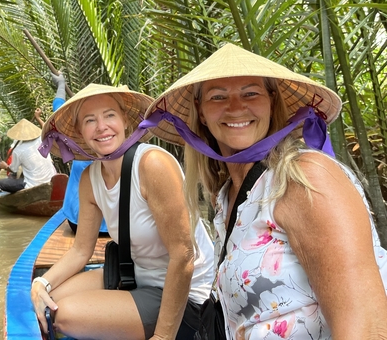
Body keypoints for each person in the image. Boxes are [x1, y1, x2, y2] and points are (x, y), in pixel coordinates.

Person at [144, 43, 387, 339]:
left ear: (271, 102)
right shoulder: (227, 195)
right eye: (218, 97)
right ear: (202, 112)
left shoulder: (305, 178)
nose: (235, 107)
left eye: (251, 93)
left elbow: (368, 328)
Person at [34, 84, 214, 340]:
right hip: (134, 274)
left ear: (126, 122)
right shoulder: (90, 178)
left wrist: (163, 337)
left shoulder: (152, 164)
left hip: (183, 292)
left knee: (63, 314)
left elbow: (183, 256)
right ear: (80, 133)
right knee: (47, 300)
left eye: (109, 115)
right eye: (90, 120)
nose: (101, 126)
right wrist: (41, 283)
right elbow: (81, 250)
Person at [34, 72, 108, 235]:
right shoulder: (123, 145)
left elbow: (58, 106)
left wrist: (61, 84)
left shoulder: (79, 145)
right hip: (112, 227)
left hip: (78, 223)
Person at [0, 118, 57, 193]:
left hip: (32, 185)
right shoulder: (41, 139)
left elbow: (13, 170)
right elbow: (46, 127)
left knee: (1, 183)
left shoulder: (17, 150)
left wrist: (5, 166)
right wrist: (37, 117)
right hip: (51, 180)